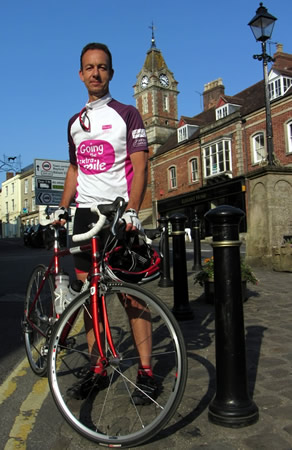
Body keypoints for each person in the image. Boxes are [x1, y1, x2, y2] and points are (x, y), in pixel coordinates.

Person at [54, 42, 158, 403]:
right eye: (89, 67)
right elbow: (74, 169)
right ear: (81, 74)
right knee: (89, 297)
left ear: (110, 73)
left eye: (102, 67)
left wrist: (133, 209)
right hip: (84, 216)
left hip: (118, 214)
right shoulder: (74, 123)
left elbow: (141, 166)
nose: (95, 73)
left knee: (132, 295)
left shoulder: (127, 114)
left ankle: (146, 372)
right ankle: (98, 367)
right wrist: (63, 208)